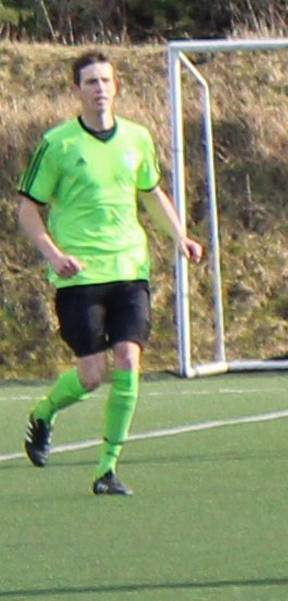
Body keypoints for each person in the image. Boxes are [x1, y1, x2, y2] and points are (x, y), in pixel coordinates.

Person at [17, 51, 203, 495]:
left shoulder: (137, 138)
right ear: (76, 90)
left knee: (129, 360)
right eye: (90, 82)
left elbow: (151, 193)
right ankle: (43, 413)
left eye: (105, 80)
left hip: (129, 267)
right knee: (91, 375)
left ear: (116, 87)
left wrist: (180, 236)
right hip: (79, 275)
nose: (99, 88)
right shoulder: (58, 144)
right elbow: (27, 209)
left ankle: (107, 467)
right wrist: (52, 254)